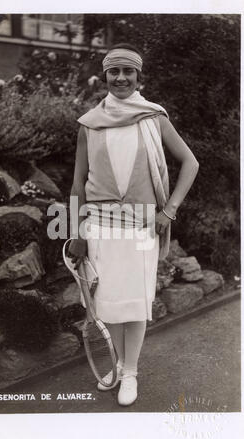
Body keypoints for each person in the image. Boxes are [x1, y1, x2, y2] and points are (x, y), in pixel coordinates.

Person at [68, 43, 199, 406]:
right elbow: (78, 184)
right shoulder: (89, 124)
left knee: (136, 302)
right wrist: (75, 231)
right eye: (114, 71)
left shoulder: (153, 117)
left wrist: (169, 210)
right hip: (99, 227)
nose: (121, 78)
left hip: (142, 226)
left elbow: (191, 163)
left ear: (139, 77)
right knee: (107, 303)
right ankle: (116, 364)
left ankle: (131, 373)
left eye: (128, 72)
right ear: (106, 75)